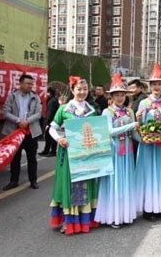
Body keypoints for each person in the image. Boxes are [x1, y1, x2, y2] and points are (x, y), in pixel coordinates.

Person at [49, 76, 99, 235]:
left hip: (86, 155)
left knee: (85, 183)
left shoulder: (92, 110)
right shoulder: (64, 109)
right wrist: (59, 138)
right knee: (68, 185)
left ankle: (85, 220)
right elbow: (51, 128)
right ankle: (67, 220)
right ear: (72, 90)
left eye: (85, 89)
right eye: (79, 89)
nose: (82, 92)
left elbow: (97, 131)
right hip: (68, 154)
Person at [95, 74, 138, 228]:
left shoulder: (129, 112)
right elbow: (110, 132)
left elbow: (134, 135)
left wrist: (148, 138)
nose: (120, 98)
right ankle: (113, 216)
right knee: (115, 182)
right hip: (114, 151)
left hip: (127, 151)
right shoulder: (107, 112)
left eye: (122, 95)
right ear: (111, 97)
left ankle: (125, 214)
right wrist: (132, 126)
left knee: (126, 181)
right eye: (117, 95)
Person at [135, 63, 161, 221]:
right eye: (154, 84)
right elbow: (139, 126)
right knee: (149, 176)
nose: (157, 87)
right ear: (150, 86)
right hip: (148, 147)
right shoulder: (144, 103)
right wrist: (143, 138)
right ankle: (148, 208)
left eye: (159, 84)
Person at [2, 74, 42, 190]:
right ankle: (14, 181)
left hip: (30, 132)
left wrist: (27, 121)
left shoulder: (35, 97)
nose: (30, 86)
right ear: (20, 83)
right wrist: (19, 121)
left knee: (32, 158)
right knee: (15, 158)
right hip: (15, 132)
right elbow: (6, 111)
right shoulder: (12, 96)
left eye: (32, 84)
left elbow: (38, 113)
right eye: (28, 83)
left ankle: (33, 180)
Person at [39, 87, 59, 157]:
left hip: (51, 122)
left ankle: (52, 151)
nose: (46, 94)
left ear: (50, 93)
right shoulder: (53, 100)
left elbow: (50, 113)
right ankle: (46, 150)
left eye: (47, 93)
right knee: (48, 137)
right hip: (53, 121)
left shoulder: (52, 101)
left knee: (51, 137)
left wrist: (47, 123)